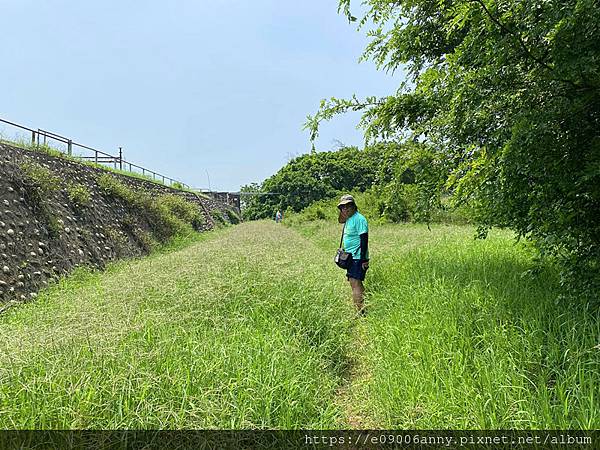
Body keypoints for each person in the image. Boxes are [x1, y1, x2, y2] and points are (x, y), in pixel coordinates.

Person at [337, 194, 369, 315]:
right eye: (342, 207)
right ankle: (362, 309)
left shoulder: (360, 219)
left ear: (354, 206)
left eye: (348, 206)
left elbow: (364, 239)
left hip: (358, 258)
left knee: (355, 284)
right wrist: (343, 211)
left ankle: (360, 312)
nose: (345, 209)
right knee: (355, 283)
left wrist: (363, 259)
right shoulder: (348, 219)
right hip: (350, 257)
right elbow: (340, 220)